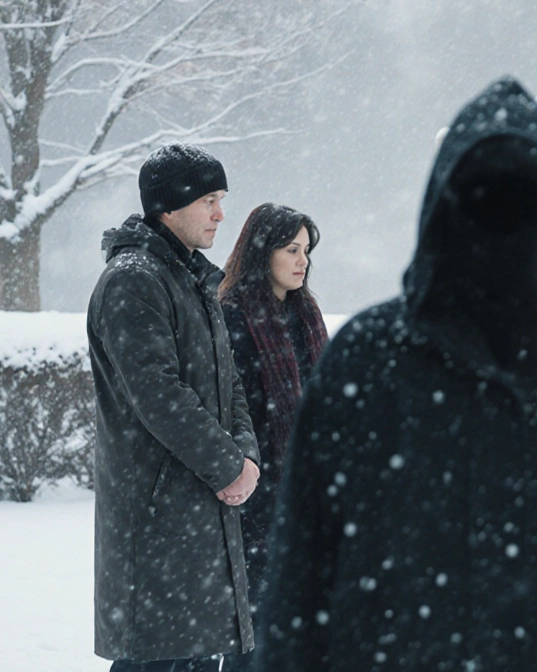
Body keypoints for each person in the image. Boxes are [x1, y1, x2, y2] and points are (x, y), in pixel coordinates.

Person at [253, 77, 537, 672]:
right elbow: (302, 579)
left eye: (518, 200)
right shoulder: (366, 363)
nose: (502, 223)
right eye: (483, 199)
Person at [87, 143, 260, 672]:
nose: (220, 214)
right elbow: (157, 395)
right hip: (159, 518)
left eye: (221, 198)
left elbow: (229, 386)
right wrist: (229, 466)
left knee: (196, 659)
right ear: (168, 206)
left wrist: (246, 457)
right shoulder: (134, 279)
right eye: (209, 199)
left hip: (201, 515)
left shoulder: (192, 279)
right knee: (156, 660)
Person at [217, 203, 329, 672]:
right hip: (255, 504)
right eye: (291, 249)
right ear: (263, 251)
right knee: (252, 634)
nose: (302, 260)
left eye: (306, 250)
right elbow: (229, 413)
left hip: (305, 499)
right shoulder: (231, 318)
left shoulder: (306, 315)